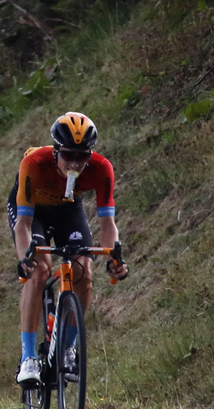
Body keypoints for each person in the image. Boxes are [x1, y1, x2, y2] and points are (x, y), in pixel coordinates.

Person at [8, 112, 128, 387]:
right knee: (39, 270)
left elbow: (107, 224)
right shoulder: (34, 163)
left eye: (82, 157)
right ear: (55, 151)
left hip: (68, 208)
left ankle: (66, 347)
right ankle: (28, 358)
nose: (74, 163)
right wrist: (24, 259)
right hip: (32, 212)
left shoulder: (101, 168)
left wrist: (113, 258)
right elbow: (23, 225)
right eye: (68, 155)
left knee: (84, 272)